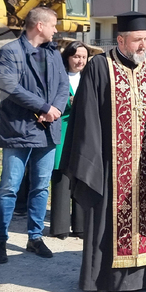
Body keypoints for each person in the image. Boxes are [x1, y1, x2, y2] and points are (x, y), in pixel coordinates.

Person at [62, 13, 146, 292]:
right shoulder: (99, 67)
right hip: (109, 164)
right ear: (120, 40)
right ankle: (104, 280)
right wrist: (92, 162)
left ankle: (143, 277)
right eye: (136, 40)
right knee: (107, 221)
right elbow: (86, 118)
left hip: (144, 164)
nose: (143, 46)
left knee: (145, 221)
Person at [0, 7, 68, 264]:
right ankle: (0, 240)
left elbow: (63, 84)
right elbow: (9, 86)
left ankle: (35, 237)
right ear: (40, 26)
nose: (56, 29)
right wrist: (44, 108)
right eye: (53, 25)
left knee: (40, 187)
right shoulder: (10, 51)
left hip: (47, 131)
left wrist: (54, 110)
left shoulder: (53, 52)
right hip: (18, 129)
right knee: (10, 187)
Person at [49, 41, 89, 239]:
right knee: (61, 178)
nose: (80, 60)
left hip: (83, 135)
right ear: (67, 58)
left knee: (81, 177)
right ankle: (60, 227)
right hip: (62, 131)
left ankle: (80, 226)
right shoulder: (58, 77)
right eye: (76, 56)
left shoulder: (89, 77)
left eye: (83, 57)